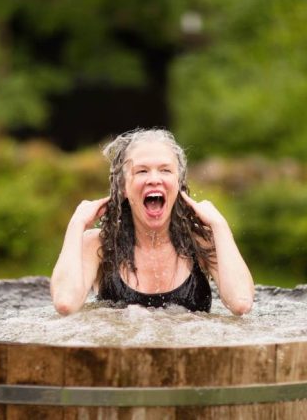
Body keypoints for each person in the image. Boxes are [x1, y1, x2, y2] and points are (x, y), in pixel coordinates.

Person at [50, 128, 254, 316]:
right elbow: (65, 304)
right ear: (123, 187)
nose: (154, 179)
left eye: (165, 170)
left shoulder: (202, 243)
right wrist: (76, 224)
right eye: (142, 171)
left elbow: (241, 304)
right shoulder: (98, 245)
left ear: (178, 183)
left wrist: (219, 225)